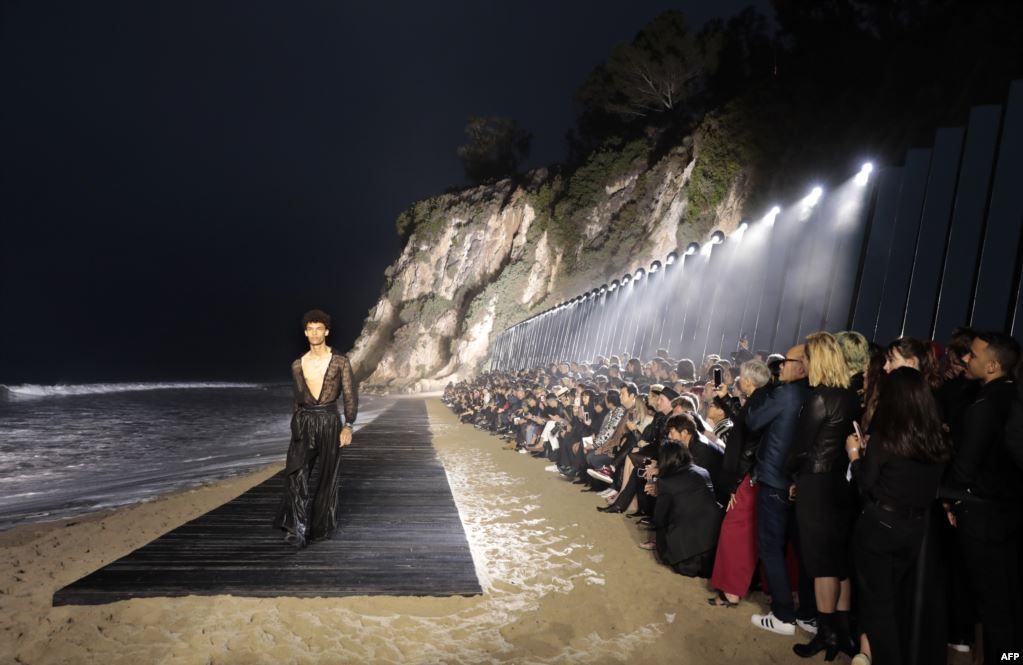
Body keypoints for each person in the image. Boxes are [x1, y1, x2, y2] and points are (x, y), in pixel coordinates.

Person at [845, 367, 952, 665]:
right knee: (891, 600)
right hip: (915, 527)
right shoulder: (935, 439)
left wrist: (855, 456)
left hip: (879, 525)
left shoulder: (886, 437)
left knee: (877, 606)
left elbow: (865, 484)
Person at [945, 332, 1023, 665]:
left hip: (982, 517)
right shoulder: (1013, 398)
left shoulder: (984, 406)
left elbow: (965, 466)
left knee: (992, 606)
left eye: (972, 355)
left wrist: (951, 500)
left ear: (992, 365)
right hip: (1009, 513)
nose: (966, 359)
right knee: (1005, 603)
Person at [788, 332, 860, 659]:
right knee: (839, 561)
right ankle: (844, 634)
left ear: (818, 360)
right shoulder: (851, 396)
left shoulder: (818, 398)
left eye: (806, 358)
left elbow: (801, 447)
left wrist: (792, 474)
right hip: (841, 484)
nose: (802, 363)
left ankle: (826, 633)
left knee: (820, 565)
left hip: (815, 485)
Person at [274, 309, 358, 549]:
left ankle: (320, 527)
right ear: (305, 332)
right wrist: (295, 427)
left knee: (327, 477)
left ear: (326, 331)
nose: (314, 333)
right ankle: (295, 528)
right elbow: (297, 399)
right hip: (305, 422)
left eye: (319, 328)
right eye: (310, 329)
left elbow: (350, 395)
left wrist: (348, 425)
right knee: (296, 474)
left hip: (331, 421)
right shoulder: (298, 364)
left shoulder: (340, 361)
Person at [749, 344, 816, 636]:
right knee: (800, 551)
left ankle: (783, 615)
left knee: (771, 547)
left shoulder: (786, 394)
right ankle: (807, 614)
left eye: (786, 362)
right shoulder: (815, 394)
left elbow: (753, 421)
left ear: (801, 366)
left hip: (775, 481)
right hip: (797, 483)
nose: (780, 367)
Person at [646, 415, 724, 577]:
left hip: (686, 558)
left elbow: (659, 520)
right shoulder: (702, 471)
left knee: (664, 527)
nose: (669, 435)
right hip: (712, 546)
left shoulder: (667, 481)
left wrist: (660, 493)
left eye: (671, 432)